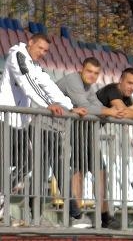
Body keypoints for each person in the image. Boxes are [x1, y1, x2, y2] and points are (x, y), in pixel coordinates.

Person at [0, 33, 86, 220]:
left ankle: (1, 197)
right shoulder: (18, 56)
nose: (42, 53)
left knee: (27, 161)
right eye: (40, 48)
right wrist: (46, 104)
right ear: (30, 43)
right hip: (4, 119)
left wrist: (70, 106)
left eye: (46, 51)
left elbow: (47, 85)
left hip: (20, 122)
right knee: (7, 162)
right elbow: (27, 84)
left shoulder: (35, 65)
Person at [56, 56, 120, 228]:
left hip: (79, 131)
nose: (92, 76)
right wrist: (109, 112)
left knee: (98, 170)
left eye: (96, 73)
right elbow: (84, 106)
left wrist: (109, 111)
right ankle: (76, 218)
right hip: (56, 129)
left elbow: (95, 105)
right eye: (89, 71)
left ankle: (103, 216)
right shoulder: (73, 80)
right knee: (77, 170)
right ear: (81, 69)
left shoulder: (88, 86)